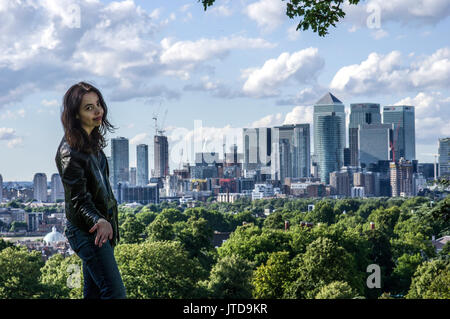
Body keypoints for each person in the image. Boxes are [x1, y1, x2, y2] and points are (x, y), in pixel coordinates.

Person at [55, 81, 126, 299]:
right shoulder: (69, 152)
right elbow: (78, 200)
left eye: (98, 104)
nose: (98, 111)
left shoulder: (92, 145)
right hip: (88, 232)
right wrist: (99, 220)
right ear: (75, 115)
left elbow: (101, 192)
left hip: (98, 230)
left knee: (94, 295)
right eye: (89, 107)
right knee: (115, 294)